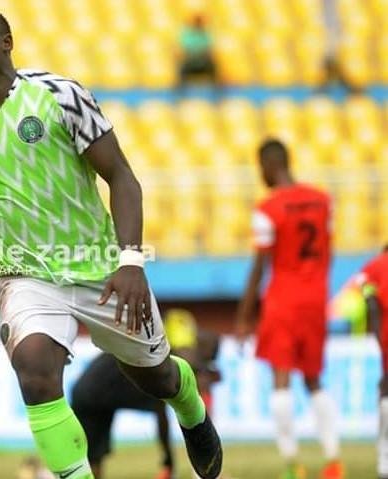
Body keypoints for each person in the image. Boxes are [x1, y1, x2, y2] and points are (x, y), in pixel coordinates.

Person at [0, 6, 223, 479]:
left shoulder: (60, 96)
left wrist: (131, 262)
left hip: (105, 270)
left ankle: (190, 405)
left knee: (156, 377)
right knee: (33, 370)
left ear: (6, 42)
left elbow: (122, 177)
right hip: (27, 275)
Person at [235, 139, 342, 479]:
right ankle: (333, 461)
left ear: (268, 165)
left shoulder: (268, 209)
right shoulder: (323, 201)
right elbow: (329, 251)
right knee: (313, 379)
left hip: (284, 299)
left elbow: (258, 266)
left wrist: (243, 316)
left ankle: (292, 464)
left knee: (281, 380)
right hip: (315, 298)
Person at [71, 309, 221, 479]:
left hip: (99, 388)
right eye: (209, 359)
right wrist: (168, 461)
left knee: (92, 459)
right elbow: (162, 411)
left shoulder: (172, 339)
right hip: (91, 393)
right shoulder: (176, 343)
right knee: (88, 462)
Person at [350, 244, 388, 479]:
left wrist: (376, 333)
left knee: (386, 390)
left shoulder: (375, 265)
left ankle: (385, 459)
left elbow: (370, 299)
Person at [178, 15, 216, 86]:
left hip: (203, 60)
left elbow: (208, 49)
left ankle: (215, 90)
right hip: (190, 60)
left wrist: (203, 54)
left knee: (212, 65)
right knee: (182, 67)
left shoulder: (205, 34)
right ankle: (180, 90)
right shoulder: (188, 34)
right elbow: (185, 49)